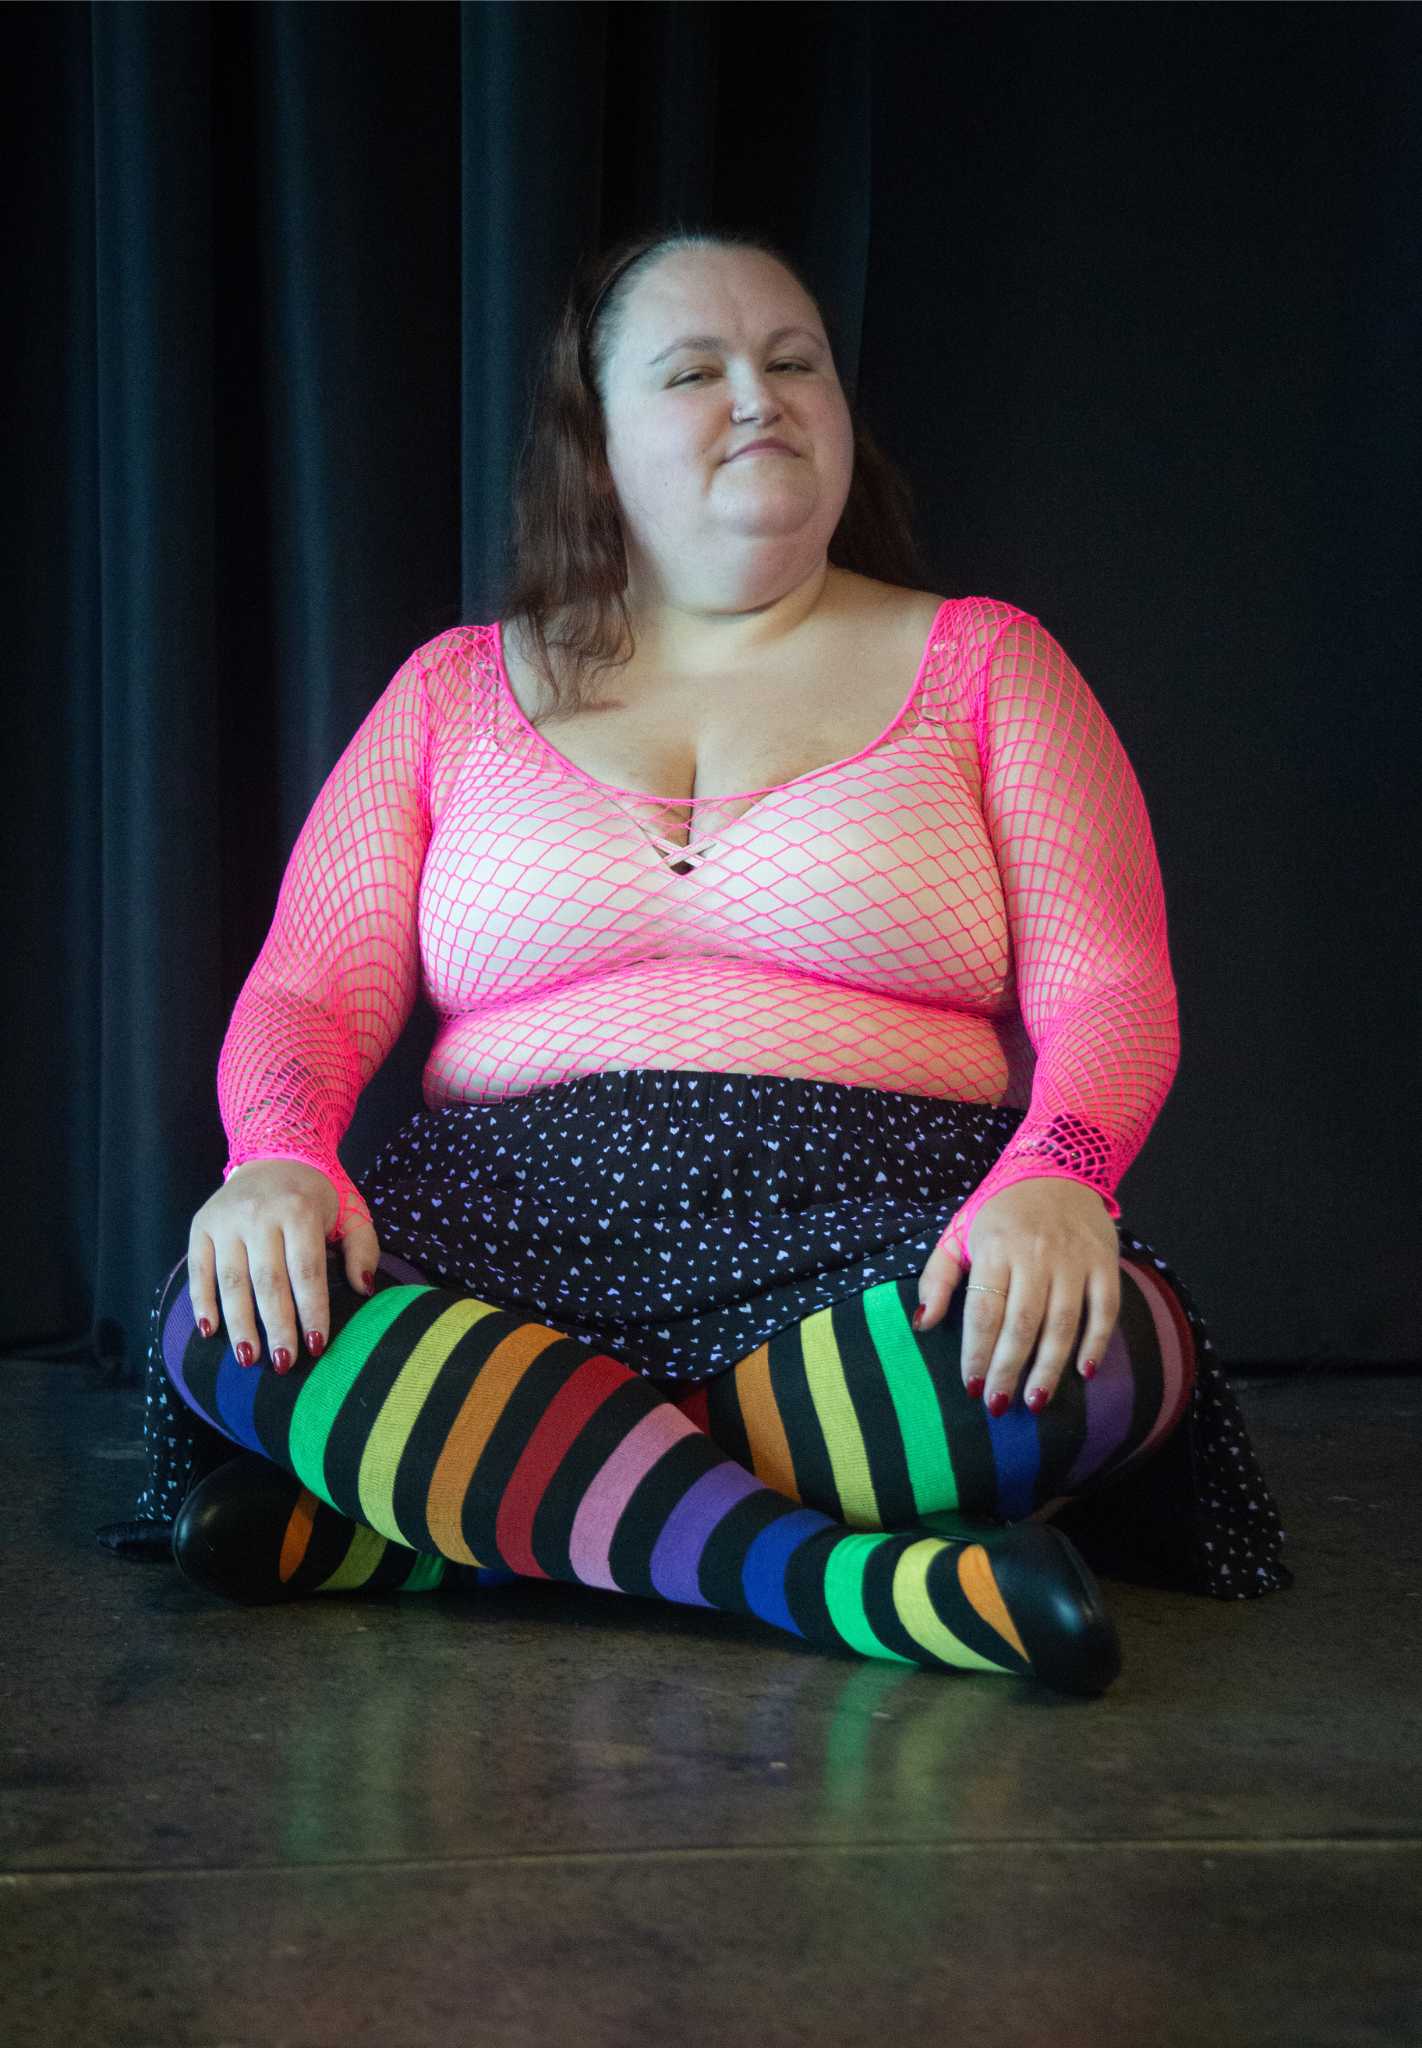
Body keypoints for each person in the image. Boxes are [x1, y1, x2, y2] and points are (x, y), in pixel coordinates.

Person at [96, 227, 1293, 1697]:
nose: (758, 394)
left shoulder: (984, 663)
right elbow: (304, 986)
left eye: (794, 362)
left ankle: (429, 1528)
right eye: (693, 369)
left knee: (1102, 1350)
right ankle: (846, 1585)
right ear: (594, 450)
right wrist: (277, 1153)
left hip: (878, 1237)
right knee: (237, 1316)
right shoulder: (454, 690)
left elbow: (1109, 984)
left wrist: (1061, 1173)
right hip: (493, 1235)